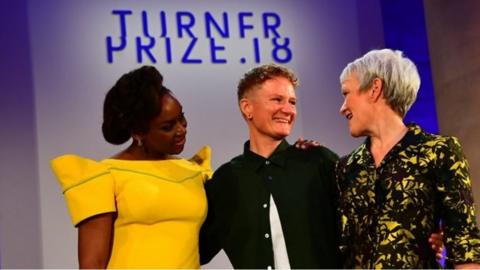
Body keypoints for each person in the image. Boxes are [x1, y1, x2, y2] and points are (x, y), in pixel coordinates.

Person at [50, 66, 212, 268]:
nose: (181, 130)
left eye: (182, 118)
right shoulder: (106, 175)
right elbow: (93, 263)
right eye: (167, 126)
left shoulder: (194, 172)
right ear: (138, 132)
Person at [336, 48, 480, 268]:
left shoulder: (438, 151)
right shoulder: (347, 167)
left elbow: (465, 244)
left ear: (374, 88)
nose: (342, 107)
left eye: (346, 93)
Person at [199, 64, 341, 269]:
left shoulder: (318, 162)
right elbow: (197, 250)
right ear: (247, 107)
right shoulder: (225, 181)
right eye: (277, 100)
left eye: (292, 102)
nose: (288, 110)